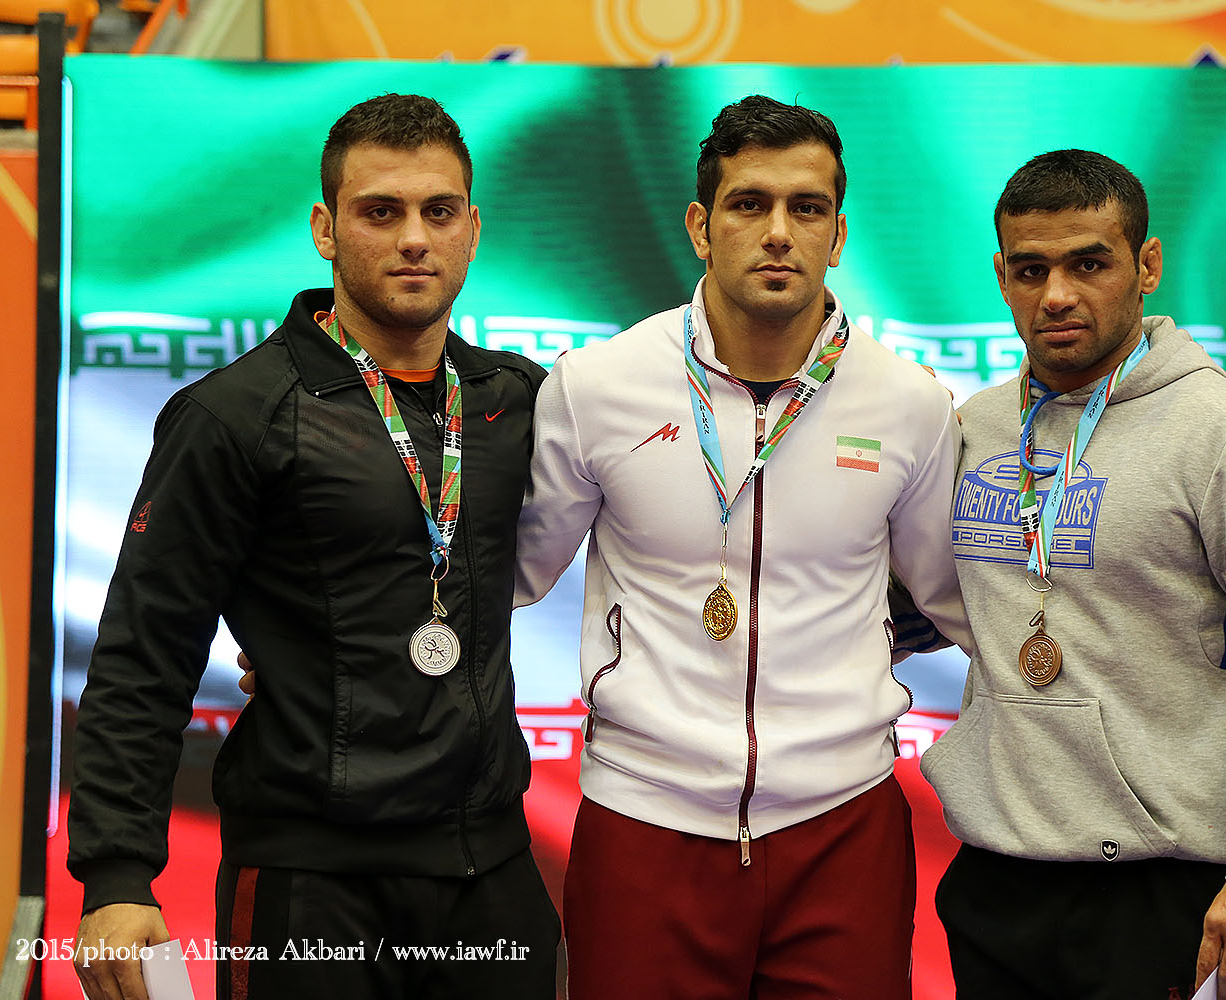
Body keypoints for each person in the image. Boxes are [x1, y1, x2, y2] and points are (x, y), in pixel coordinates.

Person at [67, 93, 559, 1000]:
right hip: (313, 880)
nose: (413, 239)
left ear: (472, 229)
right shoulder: (234, 416)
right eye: (380, 212)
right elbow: (145, 650)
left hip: (490, 867)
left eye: (438, 211)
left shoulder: (520, 400)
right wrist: (117, 875)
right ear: (326, 230)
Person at [511, 94, 971, 1000]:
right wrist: (324, 646)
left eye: (808, 208)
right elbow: (504, 577)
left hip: (843, 823)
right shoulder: (598, 386)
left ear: (838, 233)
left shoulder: (909, 403)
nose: (779, 233)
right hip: (644, 814)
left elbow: (953, 598)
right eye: (749, 204)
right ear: (701, 226)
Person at [918, 150, 1226, 1000]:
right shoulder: (972, 429)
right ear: (1003, 276)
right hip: (994, 878)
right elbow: (920, 606)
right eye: (1031, 270)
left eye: (1089, 264)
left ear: (1148, 265)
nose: (1057, 295)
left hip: (1165, 887)